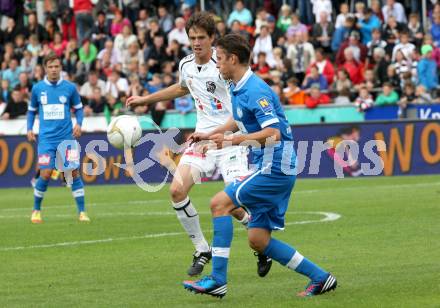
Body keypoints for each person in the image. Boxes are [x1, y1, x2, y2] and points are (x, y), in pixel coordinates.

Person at [183, 33, 337, 298]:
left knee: (219, 204)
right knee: (258, 239)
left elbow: (273, 133)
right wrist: (210, 134)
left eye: (219, 59)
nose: (216, 64)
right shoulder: (236, 85)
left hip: (275, 167)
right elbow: (237, 118)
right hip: (269, 165)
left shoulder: (256, 90)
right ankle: (321, 278)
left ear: (232, 59)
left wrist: (233, 140)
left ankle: (217, 279)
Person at [126, 12, 272, 277]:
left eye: (201, 38)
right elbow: (182, 88)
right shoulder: (186, 65)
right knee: (176, 191)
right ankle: (201, 249)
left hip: (229, 138)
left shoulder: (225, 65)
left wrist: (219, 134)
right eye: (192, 38)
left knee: (235, 201)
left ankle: (260, 243)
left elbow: (239, 107)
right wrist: (144, 100)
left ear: (212, 38)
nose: (196, 42)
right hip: (201, 138)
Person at [27, 53, 90, 224]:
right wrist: (29, 128)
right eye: (50, 67)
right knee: (46, 173)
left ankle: (82, 212)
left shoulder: (69, 88)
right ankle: (36, 211)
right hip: (46, 140)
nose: (54, 69)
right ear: (45, 68)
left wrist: (79, 124)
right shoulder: (37, 89)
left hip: (66, 139)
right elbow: (32, 110)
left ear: (60, 68)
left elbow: (78, 108)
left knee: (73, 173)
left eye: (56, 66)